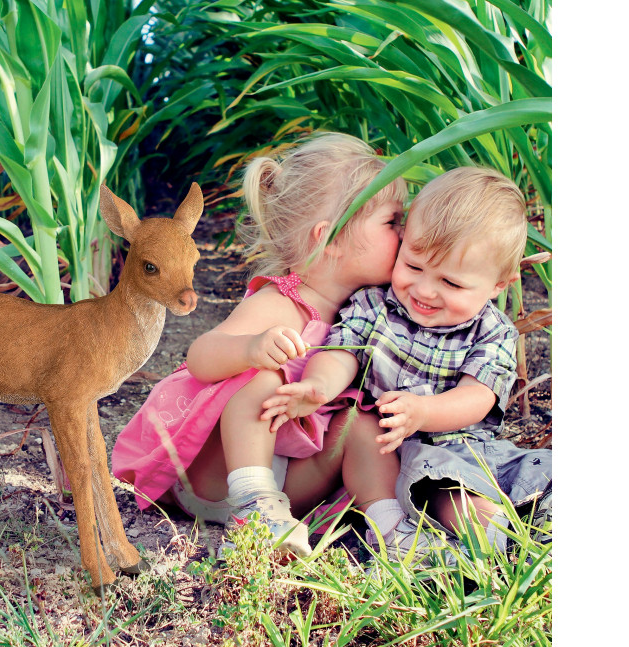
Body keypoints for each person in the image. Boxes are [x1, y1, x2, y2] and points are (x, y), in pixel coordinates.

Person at [112, 132, 422, 558]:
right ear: (329, 239)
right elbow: (200, 357)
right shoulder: (281, 301)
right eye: (392, 221)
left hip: (290, 480)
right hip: (219, 475)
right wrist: (251, 349)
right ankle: (252, 509)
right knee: (265, 376)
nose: (405, 233)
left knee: (362, 423)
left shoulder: (368, 310)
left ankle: (389, 523)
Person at [261, 166, 552, 556]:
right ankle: (491, 541)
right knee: (429, 487)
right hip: (376, 451)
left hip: (454, 448)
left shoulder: (493, 333)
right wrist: (319, 386)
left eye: (451, 283)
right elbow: (343, 351)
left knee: (475, 484)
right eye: (413, 266)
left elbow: (478, 396)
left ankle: (512, 537)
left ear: (500, 284)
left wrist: (424, 412)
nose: (425, 290)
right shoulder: (374, 304)